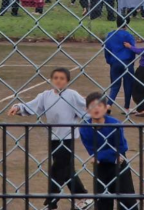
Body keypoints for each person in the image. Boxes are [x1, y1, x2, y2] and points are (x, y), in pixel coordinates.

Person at [8, 68, 91, 210]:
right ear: (51, 80)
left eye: (62, 78)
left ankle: (51, 201)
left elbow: (87, 109)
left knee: (57, 169)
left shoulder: (72, 95)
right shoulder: (45, 96)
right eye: (56, 78)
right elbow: (33, 105)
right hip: (54, 137)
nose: (58, 80)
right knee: (66, 169)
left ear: (67, 81)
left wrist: (96, 108)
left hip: (67, 137)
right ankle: (83, 197)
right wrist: (18, 107)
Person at [79, 93, 137, 210]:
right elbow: (91, 149)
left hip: (119, 164)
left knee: (127, 199)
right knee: (102, 200)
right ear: (86, 109)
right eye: (92, 106)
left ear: (106, 108)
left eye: (99, 105)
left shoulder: (115, 124)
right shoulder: (84, 128)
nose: (96, 108)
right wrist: (104, 155)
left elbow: (121, 147)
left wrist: (101, 156)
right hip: (101, 167)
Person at [103, 21, 137, 113]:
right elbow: (132, 49)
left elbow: (106, 49)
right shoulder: (129, 35)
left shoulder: (110, 34)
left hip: (115, 62)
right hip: (127, 62)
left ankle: (108, 105)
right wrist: (132, 62)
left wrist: (109, 61)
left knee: (115, 85)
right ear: (126, 24)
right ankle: (126, 107)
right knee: (128, 84)